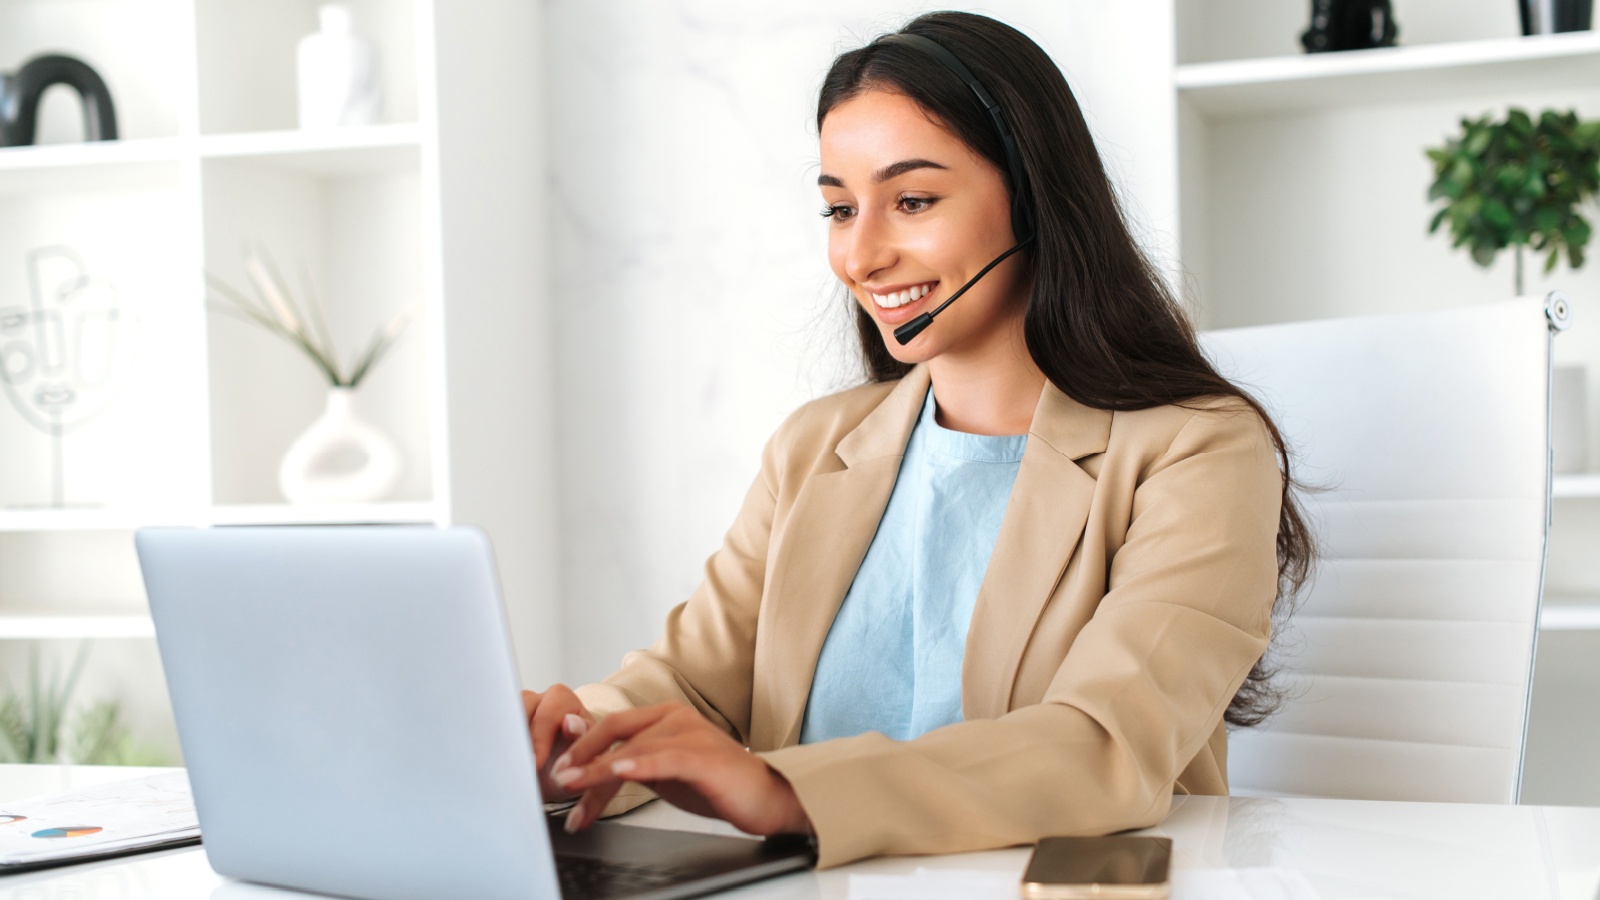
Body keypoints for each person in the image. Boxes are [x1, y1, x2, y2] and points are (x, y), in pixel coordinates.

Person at [521, 10, 1314, 869]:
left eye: (912, 201)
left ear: (1034, 198)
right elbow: (688, 684)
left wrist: (789, 793)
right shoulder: (816, 447)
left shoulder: (1199, 451)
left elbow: (1106, 745)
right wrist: (573, 736)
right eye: (838, 209)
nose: (860, 256)